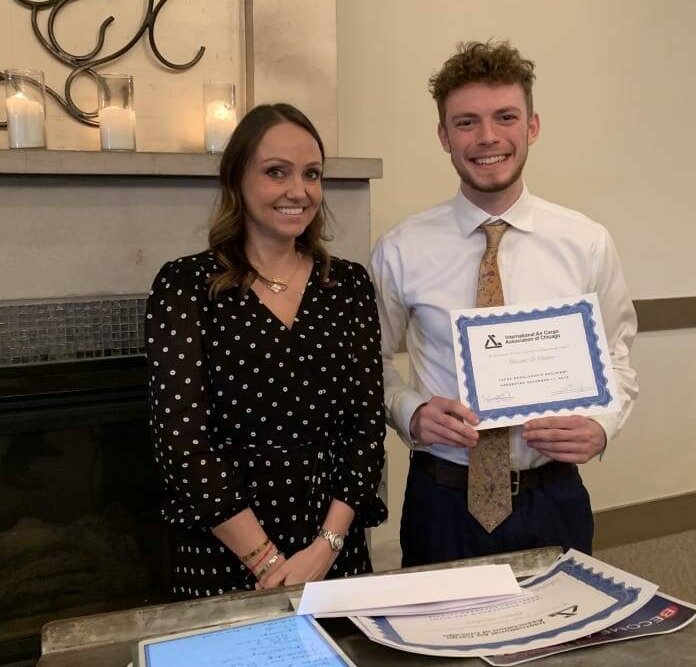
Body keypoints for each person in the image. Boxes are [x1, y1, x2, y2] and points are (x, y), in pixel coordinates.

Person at [370, 41, 638, 567]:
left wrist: (602, 424)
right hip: (443, 500)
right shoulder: (401, 249)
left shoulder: (585, 242)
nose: (488, 137)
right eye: (466, 122)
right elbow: (367, 365)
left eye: (505, 117)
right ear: (444, 136)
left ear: (532, 127)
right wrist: (411, 411)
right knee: (443, 645)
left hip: (554, 495)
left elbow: (619, 355)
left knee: (565, 644)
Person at [146, 103, 386, 598]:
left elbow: (366, 429)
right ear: (237, 178)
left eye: (312, 174)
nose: (298, 191)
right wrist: (267, 561)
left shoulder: (349, 284)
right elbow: (182, 444)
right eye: (277, 172)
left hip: (333, 548)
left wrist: (326, 546)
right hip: (225, 549)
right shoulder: (185, 285)